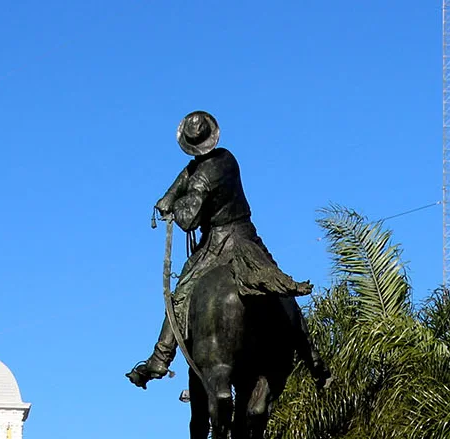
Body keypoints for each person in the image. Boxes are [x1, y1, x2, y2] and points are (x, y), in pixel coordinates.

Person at [127, 111, 312, 387]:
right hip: (247, 236)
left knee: (182, 293)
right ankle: (313, 357)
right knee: (275, 279)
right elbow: (182, 181)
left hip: (218, 245)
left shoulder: (203, 175)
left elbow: (188, 219)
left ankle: (160, 358)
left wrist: (172, 207)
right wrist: (168, 197)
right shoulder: (225, 158)